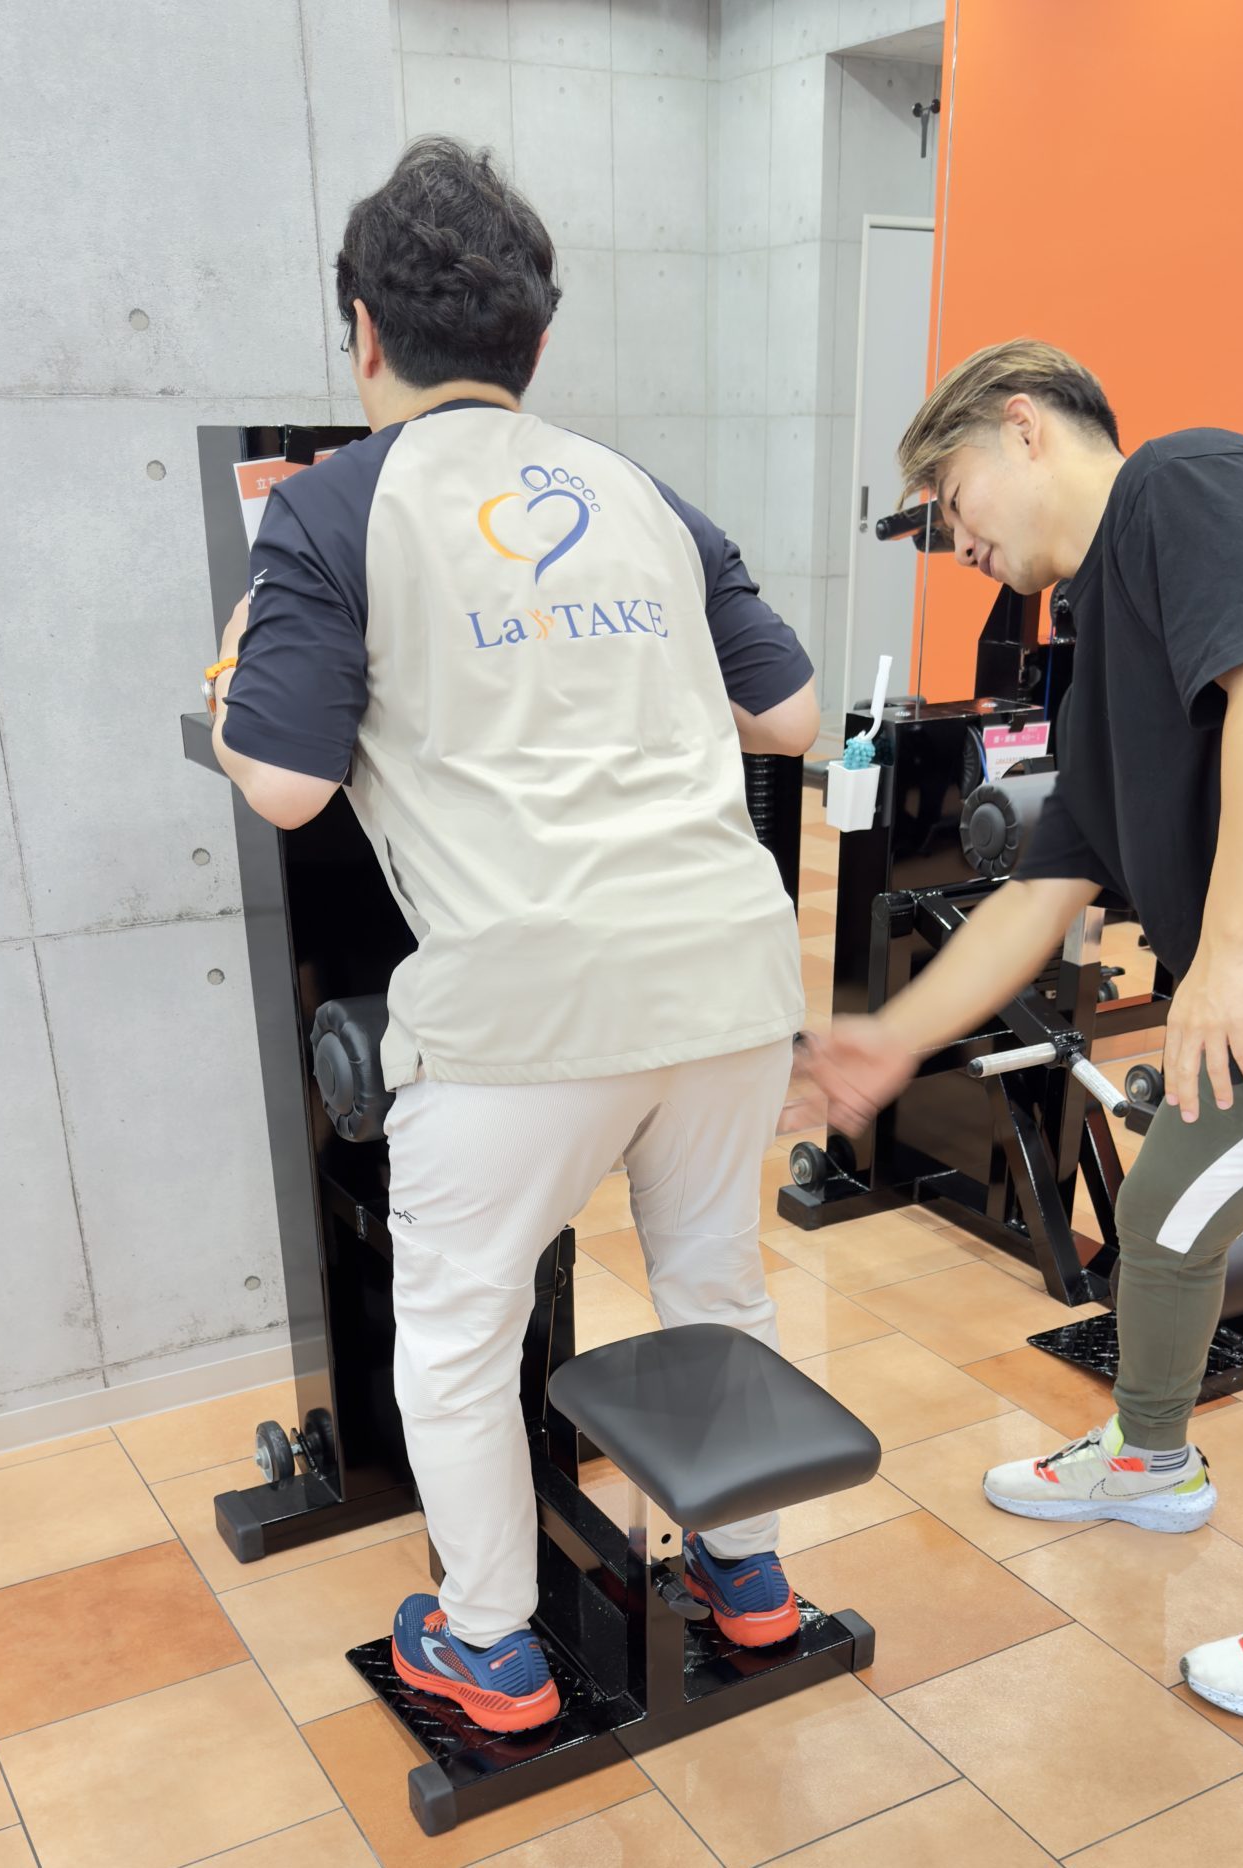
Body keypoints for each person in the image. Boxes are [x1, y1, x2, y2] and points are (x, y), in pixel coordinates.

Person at [208, 137, 819, 1733]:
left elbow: (284, 782)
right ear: (539, 341)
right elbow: (792, 713)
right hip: (731, 973)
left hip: (528, 1003)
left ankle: (489, 1644)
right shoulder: (644, 494)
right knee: (715, 1279)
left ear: (362, 331)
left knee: (459, 1329)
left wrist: (236, 674)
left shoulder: (331, 509)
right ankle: (748, 1575)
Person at [802, 337, 1243, 1725]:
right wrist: (894, 1038)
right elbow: (1043, 888)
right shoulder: (1096, 653)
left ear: (1022, 425)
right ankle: (1150, 1458)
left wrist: (1226, 949)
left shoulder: (1183, 483)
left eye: (952, 497)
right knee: (1166, 1216)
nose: (956, 540)